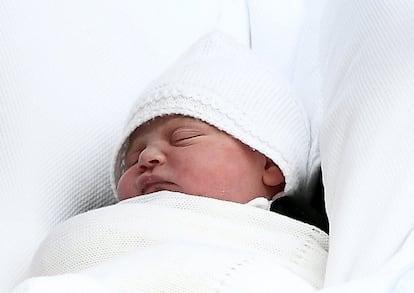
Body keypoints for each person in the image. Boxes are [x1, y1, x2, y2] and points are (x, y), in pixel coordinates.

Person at [14, 31, 328, 293]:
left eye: (183, 138)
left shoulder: (286, 241)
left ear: (270, 166)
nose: (147, 158)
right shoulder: (110, 226)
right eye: (132, 158)